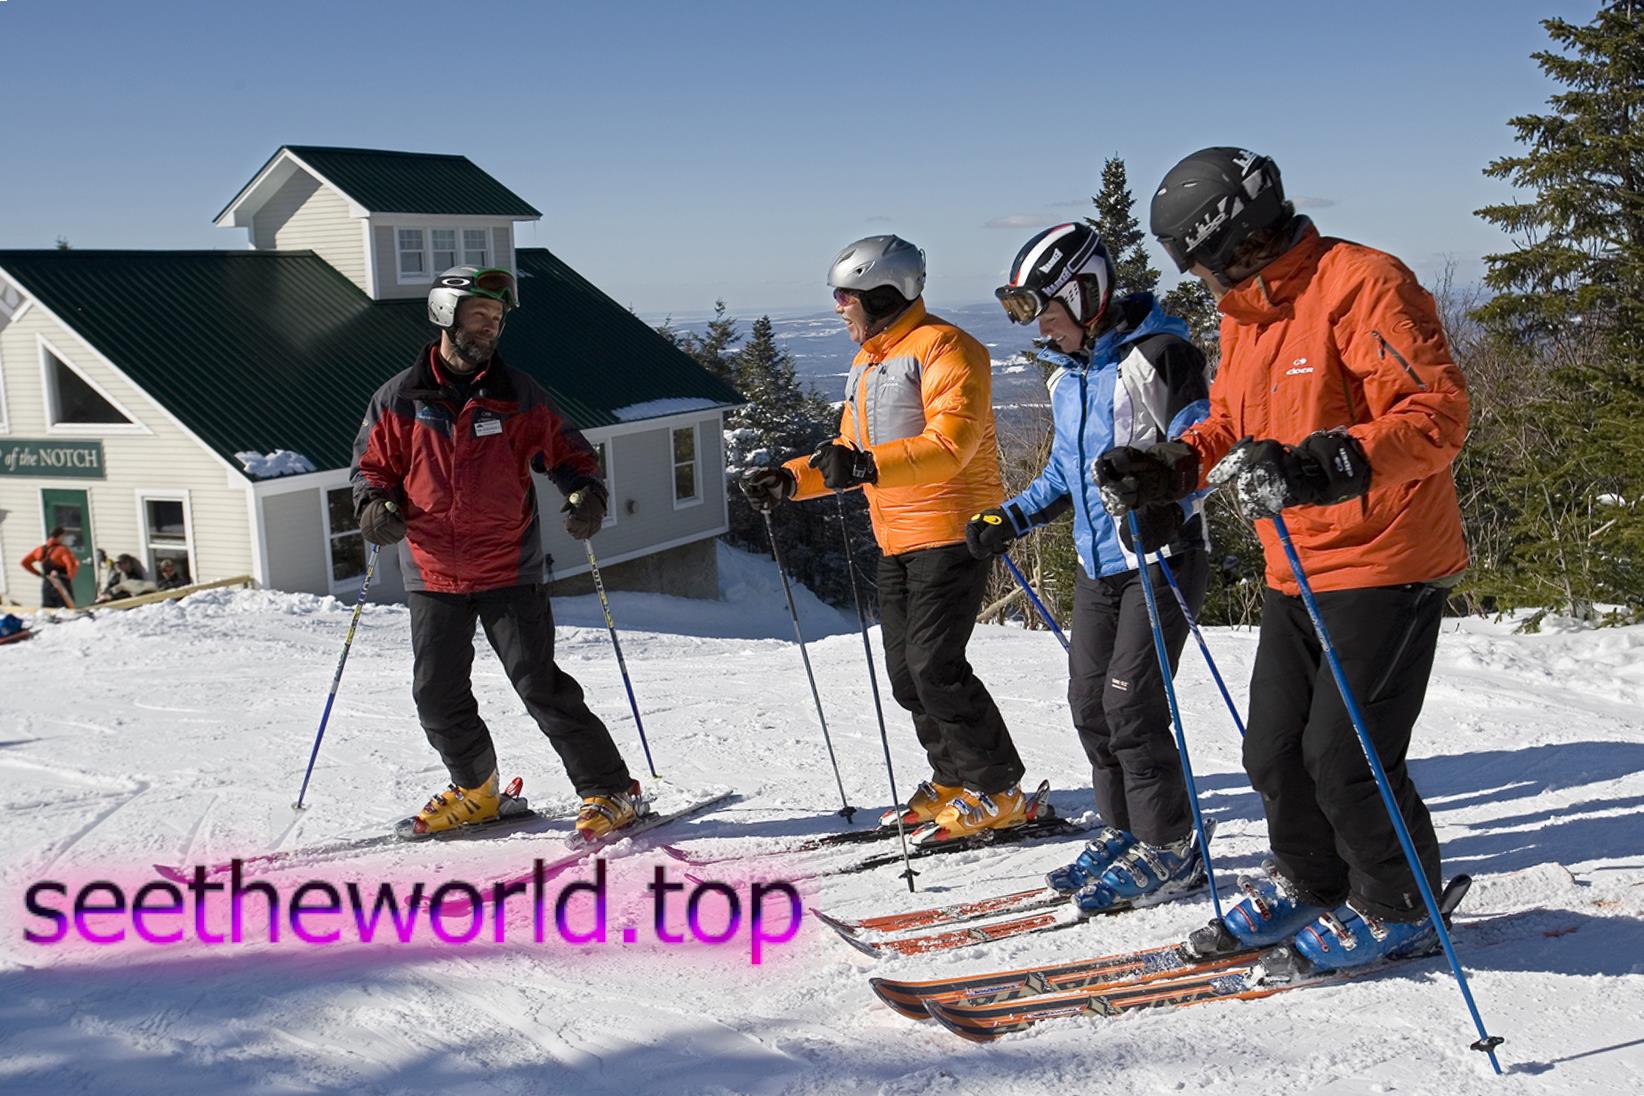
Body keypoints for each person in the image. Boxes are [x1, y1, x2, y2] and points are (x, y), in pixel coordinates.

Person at [1098, 147, 1468, 971]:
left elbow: (1436, 415)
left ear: (1234, 238)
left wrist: (1328, 463)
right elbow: (1232, 425)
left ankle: (1400, 903)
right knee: (1270, 751)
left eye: (1194, 258)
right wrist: (1170, 466)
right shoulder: (1246, 312)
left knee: (1345, 758)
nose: (1193, 276)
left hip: (1386, 556)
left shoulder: (1363, 284)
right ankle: (1311, 878)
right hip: (1294, 560)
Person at [741, 235, 1029, 843]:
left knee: (935, 667)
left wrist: (867, 466)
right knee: (906, 675)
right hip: (895, 535)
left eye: (846, 296)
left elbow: (951, 445)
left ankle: (999, 788)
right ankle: (953, 779)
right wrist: (789, 480)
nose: (838, 307)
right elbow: (847, 453)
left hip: (951, 529)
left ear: (880, 293)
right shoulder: (869, 363)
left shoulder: (948, 347)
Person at [966, 222, 1212, 912]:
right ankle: (1127, 831)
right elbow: (1063, 475)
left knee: (1131, 707)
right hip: (1096, 564)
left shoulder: (1160, 357)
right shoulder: (1068, 376)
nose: (1040, 326)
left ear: (1085, 293)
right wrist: (1011, 517)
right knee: (1091, 706)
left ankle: (1171, 848)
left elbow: (1203, 447)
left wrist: (1167, 500)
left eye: (1046, 309)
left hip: (1160, 557)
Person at [351, 265, 638, 840]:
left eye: (497, 317)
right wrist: (373, 506)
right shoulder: (398, 398)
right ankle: (476, 790)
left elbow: (570, 454)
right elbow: (371, 468)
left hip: (509, 567)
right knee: (436, 694)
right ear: (444, 314)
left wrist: (586, 493)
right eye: (479, 314)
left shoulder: (517, 394)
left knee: (539, 685)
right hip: (432, 571)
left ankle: (611, 790)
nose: (490, 326)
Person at [21, 528, 79, 608]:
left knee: (48, 609)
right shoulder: (62, 550)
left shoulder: (40, 549)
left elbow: (24, 562)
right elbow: (71, 565)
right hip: (61, 585)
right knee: (66, 609)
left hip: (47, 584)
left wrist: (38, 574)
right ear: (60, 536)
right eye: (63, 536)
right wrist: (70, 576)